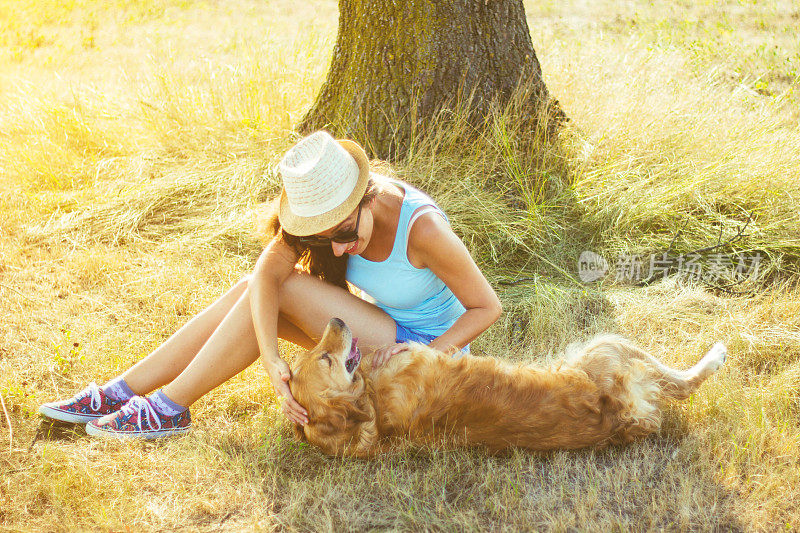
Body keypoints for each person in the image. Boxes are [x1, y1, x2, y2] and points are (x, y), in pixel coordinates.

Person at [38, 131, 502, 438]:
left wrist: (426, 352)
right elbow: (265, 273)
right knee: (254, 289)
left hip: (424, 352)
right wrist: (272, 359)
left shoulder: (421, 230)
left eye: (344, 234)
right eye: (325, 238)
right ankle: (124, 390)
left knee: (288, 289)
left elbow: (487, 307)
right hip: (380, 328)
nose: (338, 250)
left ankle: (167, 405)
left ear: (368, 197)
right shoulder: (329, 219)